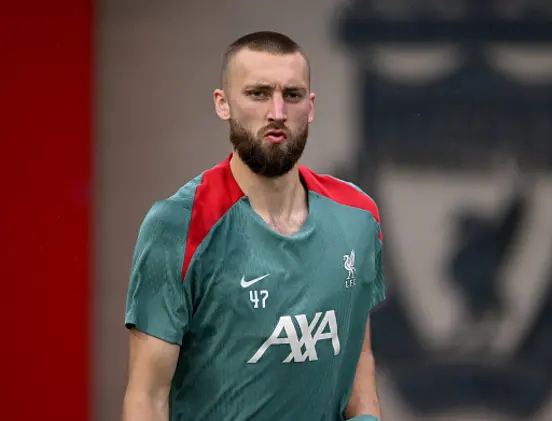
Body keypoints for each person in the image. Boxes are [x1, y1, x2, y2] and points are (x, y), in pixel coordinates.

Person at [121, 30, 386, 421]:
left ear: (310, 107)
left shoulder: (357, 216)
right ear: (223, 103)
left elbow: (357, 363)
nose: (277, 111)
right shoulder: (177, 227)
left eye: (292, 95)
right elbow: (147, 398)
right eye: (258, 94)